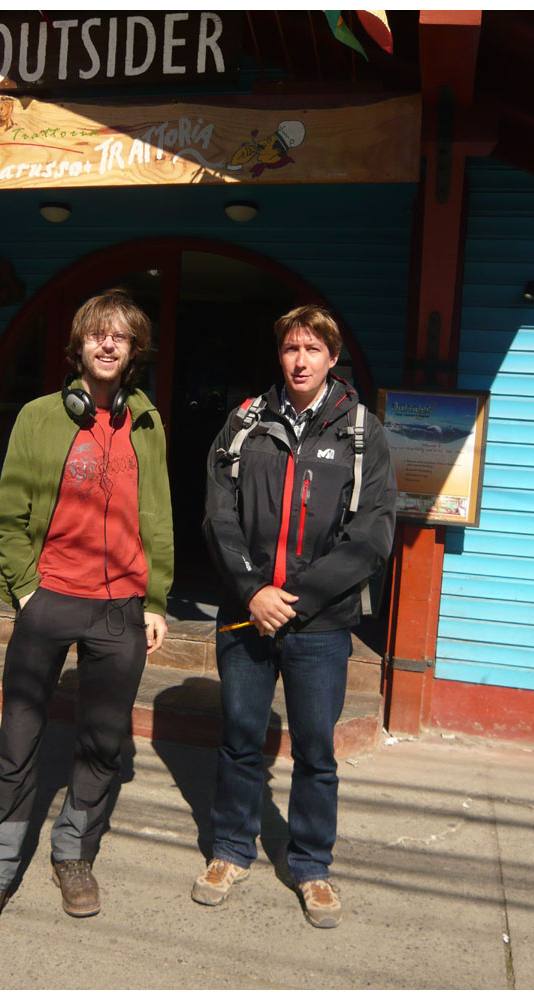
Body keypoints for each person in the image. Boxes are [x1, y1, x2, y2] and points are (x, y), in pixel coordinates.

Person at [0, 288, 173, 944]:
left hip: (120, 609)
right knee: (17, 747)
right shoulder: (38, 417)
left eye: (121, 337)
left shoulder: (146, 421)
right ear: (78, 345)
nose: (107, 345)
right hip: (49, 600)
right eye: (96, 335)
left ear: (133, 351)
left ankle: (72, 855)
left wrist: (156, 598)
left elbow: (156, 513)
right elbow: (10, 513)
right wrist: (25, 590)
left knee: (103, 743)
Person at [192, 304, 396, 928]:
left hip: (319, 626)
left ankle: (311, 865)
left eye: (313, 349)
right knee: (240, 739)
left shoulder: (362, 432)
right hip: (246, 615)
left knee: (314, 750)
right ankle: (230, 850)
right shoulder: (245, 422)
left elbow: (373, 534)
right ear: (279, 355)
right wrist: (253, 591)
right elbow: (216, 516)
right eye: (290, 348)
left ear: (333, 358)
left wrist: (294, 599)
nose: (300, 359)